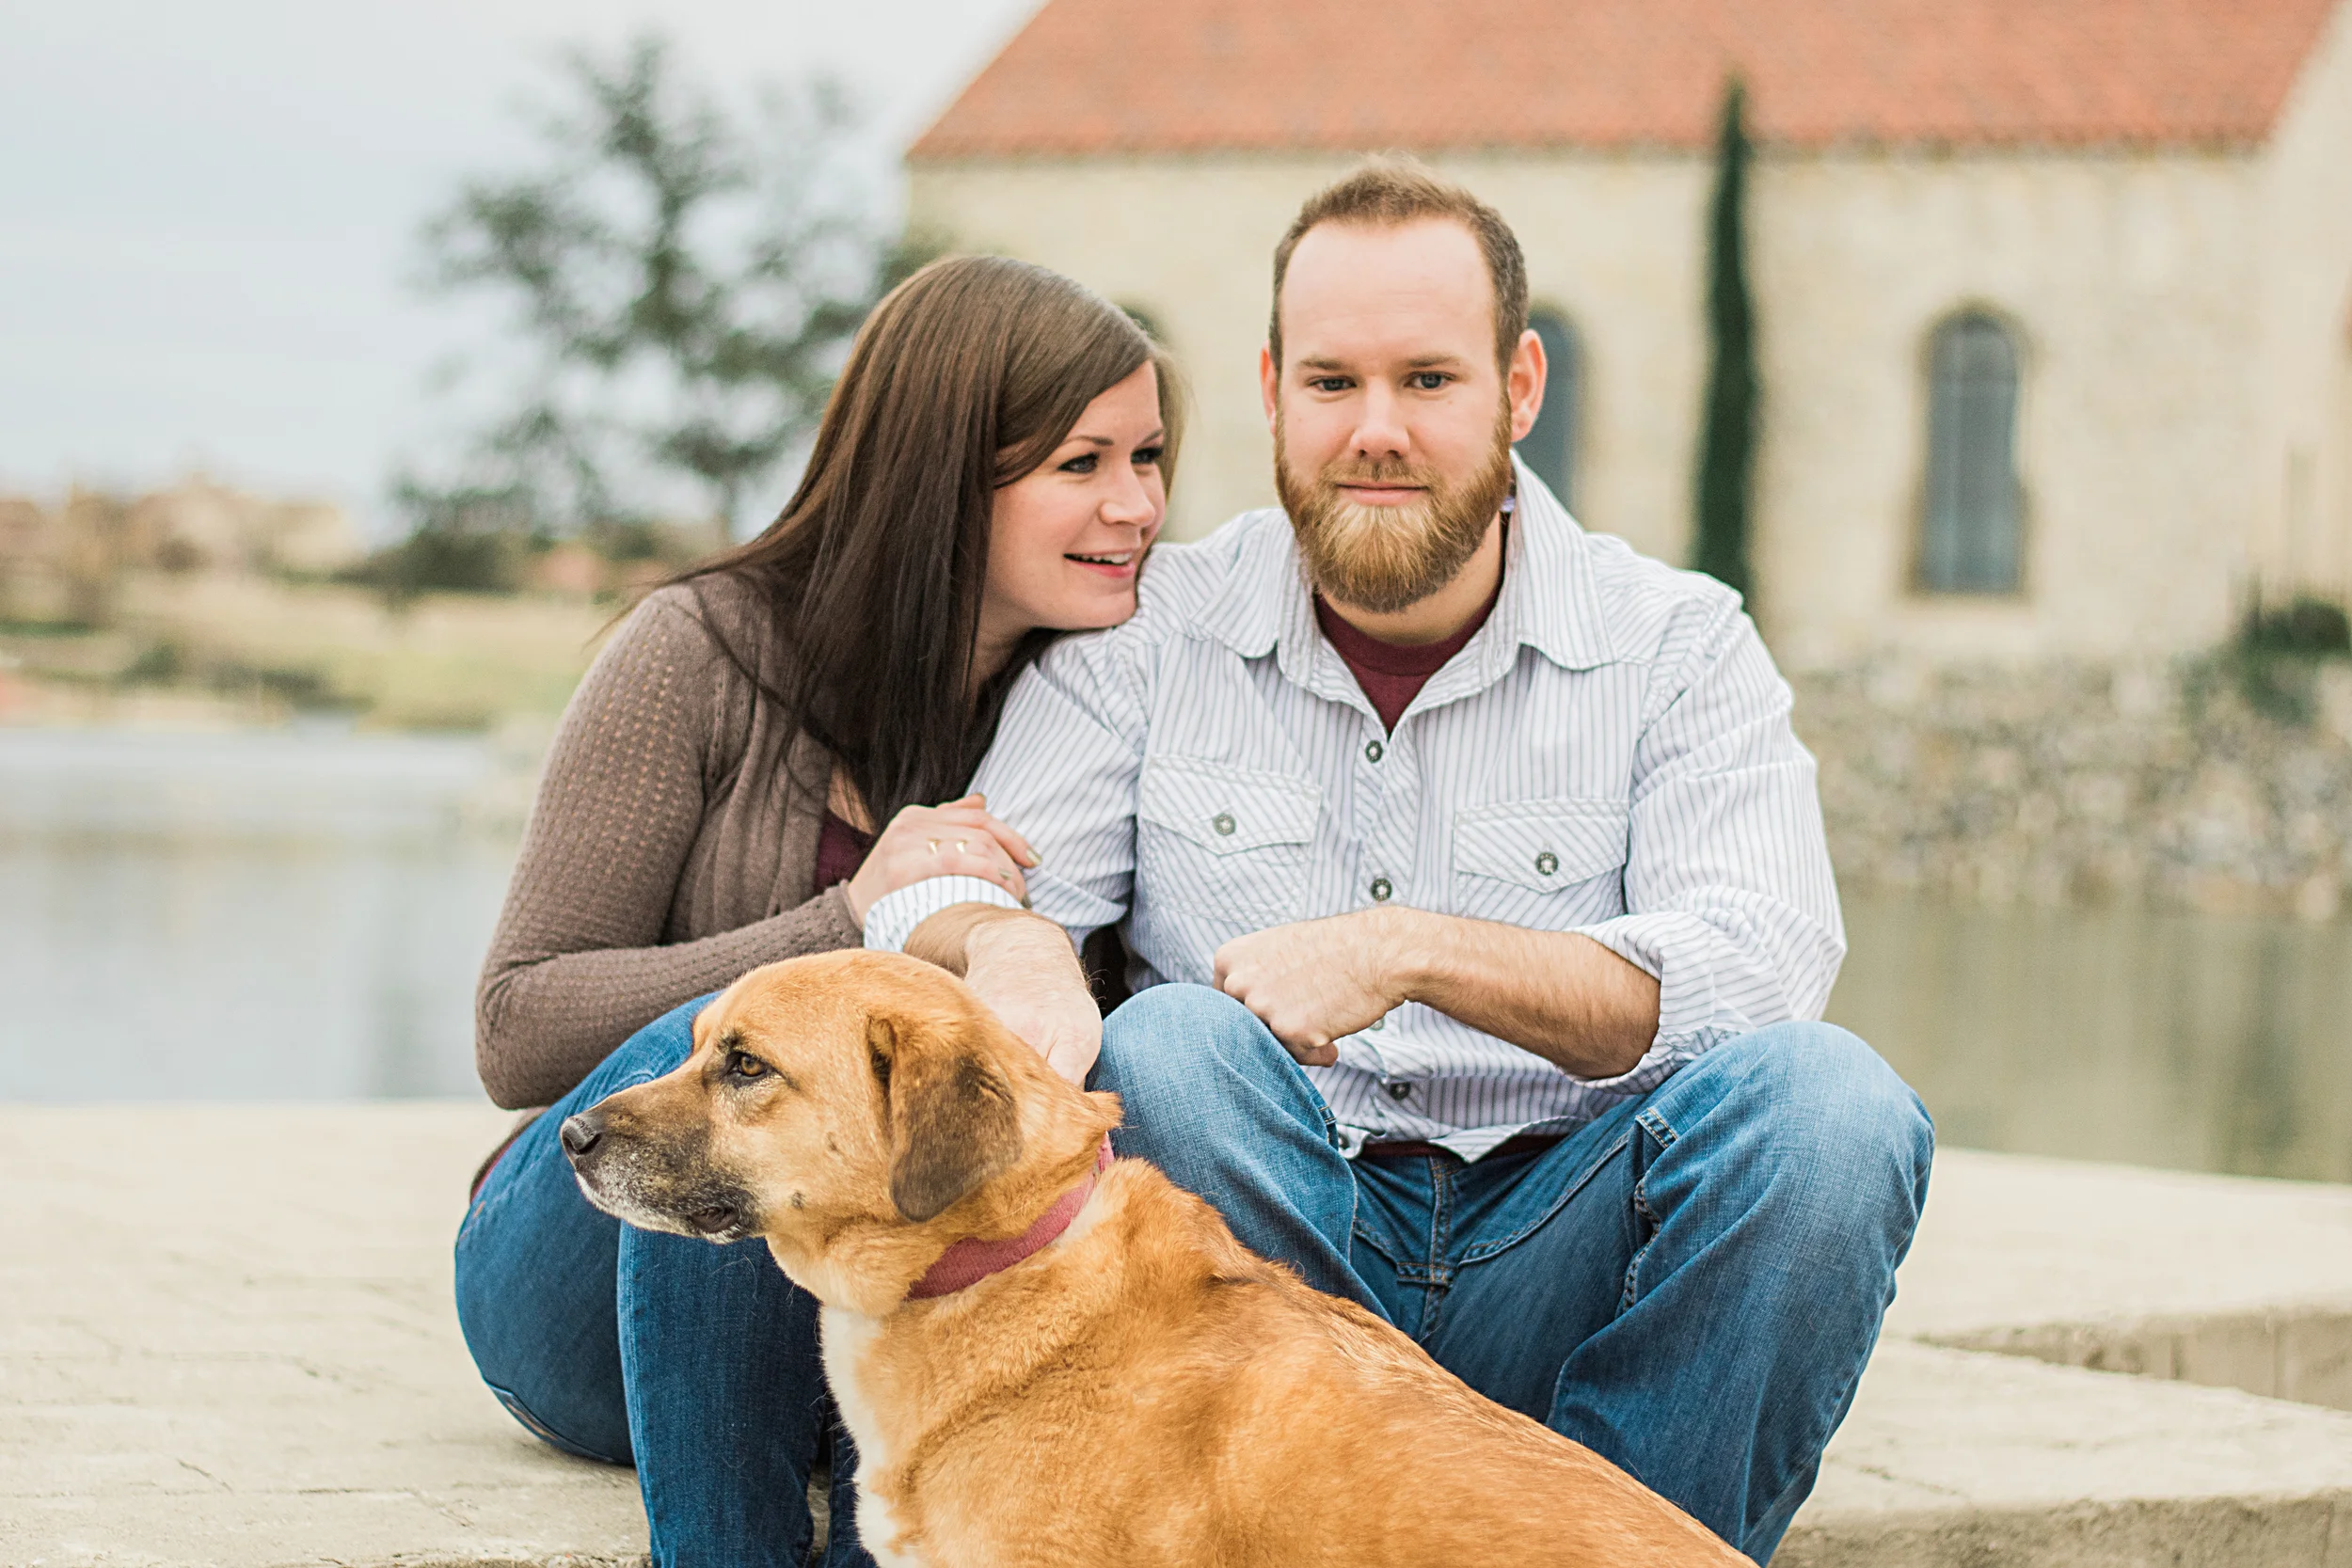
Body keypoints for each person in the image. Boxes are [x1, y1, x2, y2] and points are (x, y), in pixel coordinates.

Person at [864, 161, 1933, 1564]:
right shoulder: (1147, 634)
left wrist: (1414, 949)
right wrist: (1005, 937)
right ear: (1268, 391)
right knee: (1176, 1046)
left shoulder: (1676, 642)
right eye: (1331, 384)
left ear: (1520, 386)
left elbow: (1761, 965)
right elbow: (947, 880)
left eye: (1429, 380)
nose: (1376, 431)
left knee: (1836, 1108)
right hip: (1253, 1253)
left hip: (1564, 1250)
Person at [453, 254, 1183, 1568]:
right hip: (576, 1283)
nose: (1135, 506)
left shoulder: (1113, 705)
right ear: (946, 472)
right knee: (749, 1060)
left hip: (888, 1309)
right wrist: (846, 914)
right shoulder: (698, 653)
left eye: (1151, 457)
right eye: (1083, 463)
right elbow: (517, 1024)